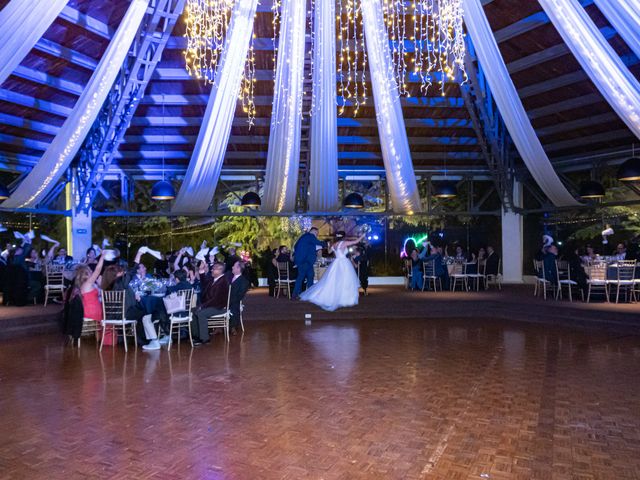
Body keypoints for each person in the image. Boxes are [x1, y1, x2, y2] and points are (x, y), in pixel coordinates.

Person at [300, 231, 365, 311]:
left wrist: (329, 245)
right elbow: (356, 241)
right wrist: (362, 236)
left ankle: (334, 296)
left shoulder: (334, 244)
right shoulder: (343, 242)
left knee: (334, 280)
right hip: (343, 263)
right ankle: (344, 298)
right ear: (343, 236)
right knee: (345, 280)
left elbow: (329, 252)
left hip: (336, 262)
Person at [192, 262, 229, 345]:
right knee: (192, 311)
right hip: (212, 305)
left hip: (219, 307)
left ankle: (205, 339)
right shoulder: (214, 279)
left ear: (220, 270)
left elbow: (216, 299)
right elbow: (204, 283)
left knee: (201, 313)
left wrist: (203, 306)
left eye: (214, 268)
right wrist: (201, 270)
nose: (212, 270)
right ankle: (197, 336)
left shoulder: (223, 281)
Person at [292, 227, 325, 299]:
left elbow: (295, 246)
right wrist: (327, 243)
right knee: (302, 277)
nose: (317, 235)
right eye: (317, 233)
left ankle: (307, 294)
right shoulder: (310, 236)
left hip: (303, 261)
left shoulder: (303, 237)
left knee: (310, 276)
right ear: (313, 231)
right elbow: (319, 243)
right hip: (305, 261)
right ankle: (296, 294)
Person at [228, 261, 250, 335]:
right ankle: (218, 326)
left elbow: (239, 296)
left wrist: (228, 301)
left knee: (235, 305)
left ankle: (233, 326)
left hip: (233, 301)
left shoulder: (244, 281)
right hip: (223, 299)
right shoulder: (228, 276)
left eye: (234, 266)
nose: (232, 267)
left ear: (238, 268)